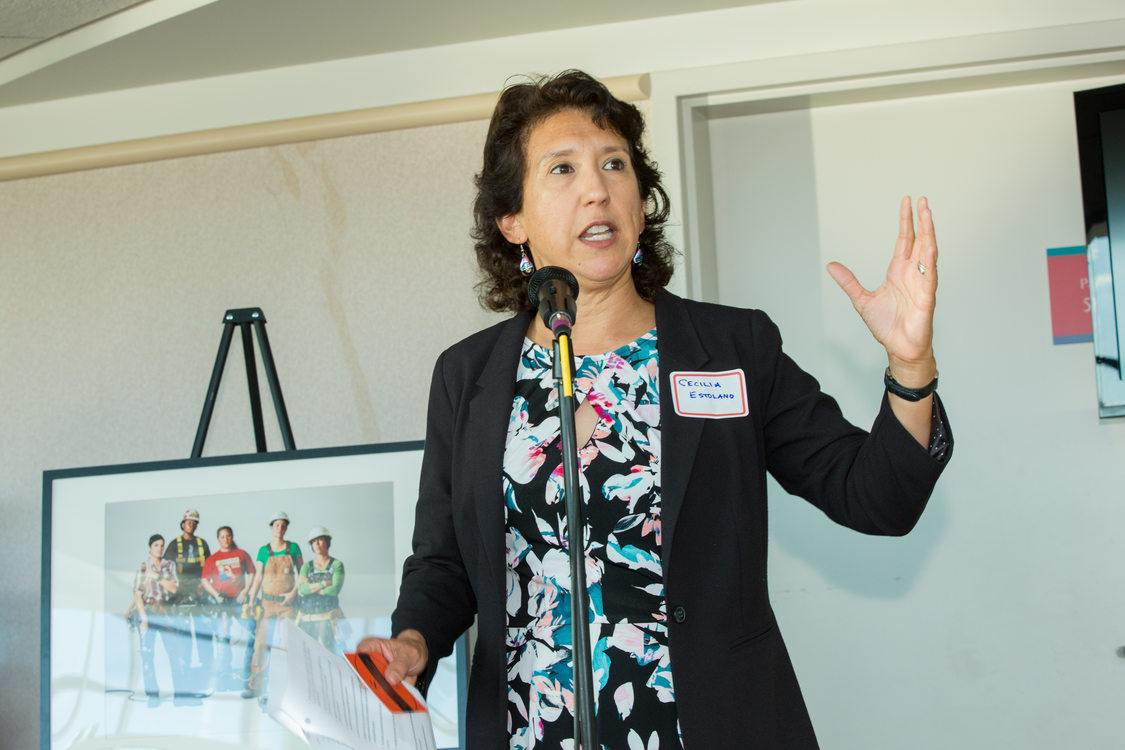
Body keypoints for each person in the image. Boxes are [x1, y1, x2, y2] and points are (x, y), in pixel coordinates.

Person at [360, 70, 952, 749]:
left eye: (614, 164)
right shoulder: (466, 377)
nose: (596, 187)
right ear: (512, 220)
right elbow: (445, 562)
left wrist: (910, 367)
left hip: (712, 726)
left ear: (641, 202)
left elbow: (876, 498)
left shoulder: (730, 349)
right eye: (562, 168)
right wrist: (410, 642)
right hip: (529, 729)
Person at [244, 511, 302, 699]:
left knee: (287, 643)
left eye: (283, 525)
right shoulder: (263, 550)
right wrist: (252, 601)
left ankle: (288, 689)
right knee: (261, 644)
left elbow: (302, 574)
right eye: (277, 525)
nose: (280, 528)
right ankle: (256, 685)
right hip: (267, 603)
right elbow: (259, 577)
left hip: (288, 605)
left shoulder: (293, 548)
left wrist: (293, 594)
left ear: (286, 528)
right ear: (271, 527)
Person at [162, 508, 212, 697]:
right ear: (183, 524)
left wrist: (203, 588)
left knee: (204, 636)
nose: (191, 525)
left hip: (200, 596)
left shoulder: (202, 544)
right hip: (181, 597)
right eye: (188, 522)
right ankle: (186, 686)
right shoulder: (174, 545)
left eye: (194, 522)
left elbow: (210, 568)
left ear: (196, 525)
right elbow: (166, 570)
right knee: (184, 641)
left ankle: (207, 680)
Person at [200, 525, 256, 690]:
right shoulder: (212, 559)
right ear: (218, 539)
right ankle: (224, 674)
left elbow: (252, 572)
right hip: (222, 603)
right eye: (222, 537)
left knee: (253, 629)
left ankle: (247, 669)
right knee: (223, 637)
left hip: (239, 602)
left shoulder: (241, 555)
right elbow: (204, 580)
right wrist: (216, 595)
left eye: (228, 536)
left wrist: (245, 591)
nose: (226, 540)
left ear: (232, 537)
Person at [130, 533, 179, 705]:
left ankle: (180, 694)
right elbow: (138, 594)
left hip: (165, 610)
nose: (159, 548)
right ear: (150, 547)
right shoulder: (144, 567)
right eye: (156, 545)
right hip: (149, 610)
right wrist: (144, 619)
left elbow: (173, 588)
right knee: (147, 654)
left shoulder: (168, 565)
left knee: (174, 652)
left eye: (161, 545)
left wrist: (157, 577)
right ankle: (153, 695)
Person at [296, 526, 346, 652]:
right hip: (308, 619)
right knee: (306, 651)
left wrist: (311, 586)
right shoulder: (306, 566)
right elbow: (302, 589)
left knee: (328, 651)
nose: (317, 544)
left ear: (327, 541)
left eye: (320, 540)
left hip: (328, 620)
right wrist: (323, 584)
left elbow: (335, 590)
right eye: (313, 541)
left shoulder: (336, 565)